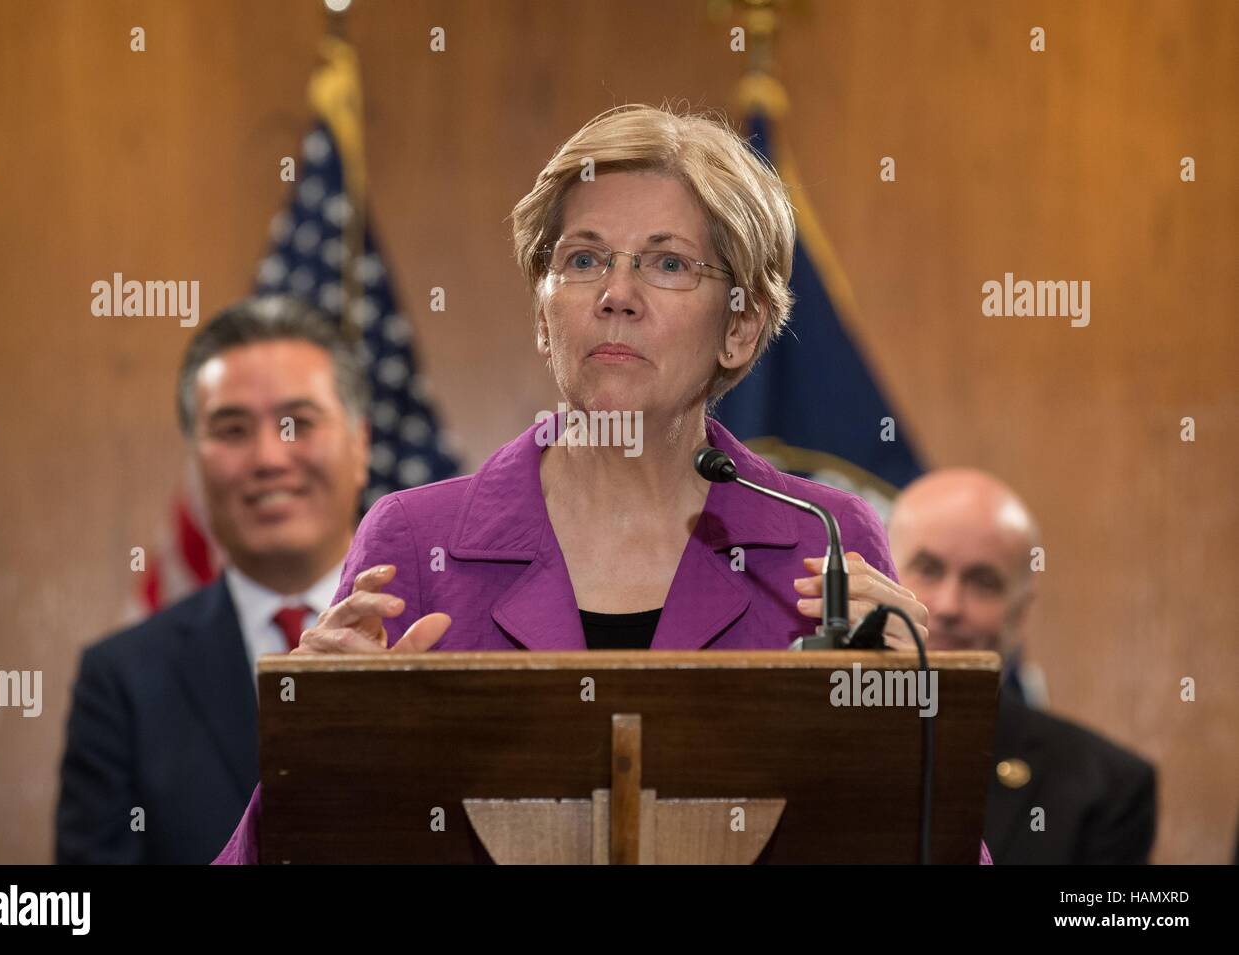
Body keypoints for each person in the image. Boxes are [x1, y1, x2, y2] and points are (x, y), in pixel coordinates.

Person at [214, 103, 950, 864]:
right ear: (543, 314)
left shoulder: (821, 539)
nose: (616, 293)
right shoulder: (416, 540)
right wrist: (307, 753)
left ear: (741, 325)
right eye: (584, 259)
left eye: (667, 263)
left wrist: (911, 723)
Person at [56, 296, 371, 863]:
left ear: (361, 444)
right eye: (231, 429)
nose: (268, 458)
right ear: (195, 461)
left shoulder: (445, 633)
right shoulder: (121, 683)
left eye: (297, 423)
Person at [889, 468, 1156, 863]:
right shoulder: (803, 746)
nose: (947, 606)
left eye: (984, 582)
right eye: (927, 570)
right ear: (879, 573)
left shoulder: (1105, 788)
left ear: (1020, 614)